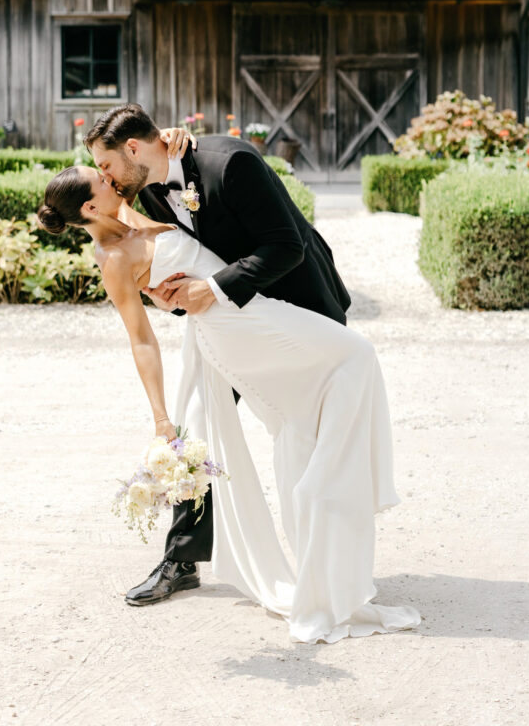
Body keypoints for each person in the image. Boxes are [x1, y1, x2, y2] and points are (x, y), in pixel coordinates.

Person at [37, 161, 420, 643]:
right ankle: (311, 507)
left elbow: (156, 175)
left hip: (243, 309)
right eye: (102, 180)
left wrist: (175, 140)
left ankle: (322, 535)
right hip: (230, 328)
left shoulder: (131, 205)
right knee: (353, 357)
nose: (111, 177)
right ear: (91, 206)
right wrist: (161, 421)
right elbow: (141, 340)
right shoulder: (112, 256)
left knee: (301, 423)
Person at [83, 104, 350, 606]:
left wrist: (214, 289)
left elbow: (286, 246)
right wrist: (176, 296)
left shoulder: (230, 164)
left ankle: (331, 561)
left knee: (306, 438)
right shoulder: (152, 187)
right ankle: (182, 560)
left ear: (134, 149)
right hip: (226, 321)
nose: (106, 177)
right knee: (195, 426)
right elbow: (191, 254)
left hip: (297, 309)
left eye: (106, 165)